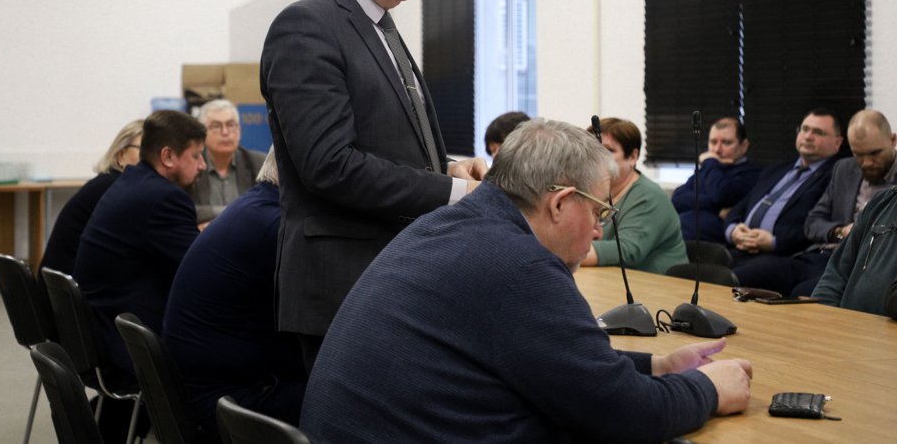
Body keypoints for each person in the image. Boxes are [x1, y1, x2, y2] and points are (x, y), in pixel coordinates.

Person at [300, 118, 752, 443]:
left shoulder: (445, 224)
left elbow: (553, 363)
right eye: (599, 212)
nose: (598, 230)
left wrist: (658, 367)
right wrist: (709, 389)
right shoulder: (521, 266)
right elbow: (626, 414)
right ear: (560, 203)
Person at [259, 0, 488, 372]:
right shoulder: (307, 26)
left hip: (392, 280)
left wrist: (449, 167)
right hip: (345, 289)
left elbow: (383, 141)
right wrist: (457, 193)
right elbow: (330, 165)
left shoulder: (379, 25)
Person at [163, 148, 306, 441]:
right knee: (355, 397)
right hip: (225, 406)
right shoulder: (276, 225)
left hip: (203, 393)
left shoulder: (253, 207)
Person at [73, 110, 205, 379]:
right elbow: (202, 270)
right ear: (168, 156)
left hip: (100, 332)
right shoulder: (165, 198)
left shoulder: (132, 181)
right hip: (127, 346)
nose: (202, 165)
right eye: (196, 155)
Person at [735, 109, 896, 295]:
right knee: (737, 279)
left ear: (893, 140)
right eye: (858, 154)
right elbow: (812, 223)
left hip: (860, 265)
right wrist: (840, 231)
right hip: (819, 255)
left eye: (874, 153)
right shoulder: (844, 169)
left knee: (802, 294)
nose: (866, 162)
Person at [724, 108, 843, 282]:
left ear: (837, 142)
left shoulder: (836, 176)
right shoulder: (776, 169)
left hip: (782, 255)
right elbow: (741, 206)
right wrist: (733, 230)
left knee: (727, 278)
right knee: (696, 269)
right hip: (740, 247)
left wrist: (774, 242)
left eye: (818, 132)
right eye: (805, 129)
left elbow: (816, 225)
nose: (808, 136)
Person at [580, 117, 687, 274]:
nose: (597, 158)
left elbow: (626, 250)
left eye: (608, 151)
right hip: (607, 279)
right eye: (594, 150)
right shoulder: (591, 190)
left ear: (633, 157)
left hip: (659, 285)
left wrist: (565, 252)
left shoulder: (649, 196)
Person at [39, 119, 143, 277]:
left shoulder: (106, 182)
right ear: (121, 155)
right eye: (144, 150)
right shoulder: (114, 188)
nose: (151, 158)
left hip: (58, 284)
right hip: (68, 285)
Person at [671, 117, 761, 244]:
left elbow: (720, 194)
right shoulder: (707, 170)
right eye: (713, 142)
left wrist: (710, 161)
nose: (717, 150)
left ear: (744, 146)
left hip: (710, 240)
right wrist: (717, 208)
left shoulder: (752, 173)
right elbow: (677, 199)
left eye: (726, 143)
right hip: (681, 233)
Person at [812, 185, 897, 316]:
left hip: (883, 327)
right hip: (845, 322)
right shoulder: (882, 201)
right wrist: (821, 314)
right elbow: (836, 273)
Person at [190, 99, 266, 223]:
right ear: (202, 133)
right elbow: (185, 209)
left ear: (239, 130)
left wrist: (219, 213)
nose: (225, 132)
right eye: (216, 126)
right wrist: (230, 211)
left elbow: (268, 207)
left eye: (230, 125)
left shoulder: (258, 163)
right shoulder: (192, 164)